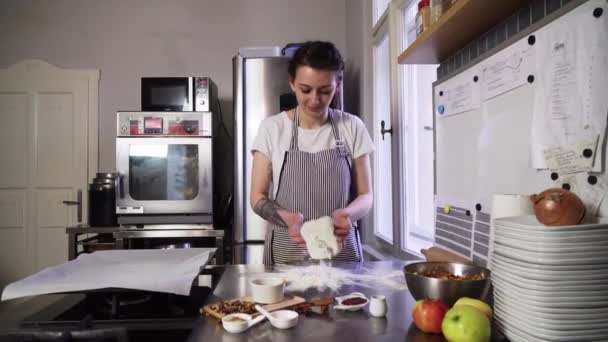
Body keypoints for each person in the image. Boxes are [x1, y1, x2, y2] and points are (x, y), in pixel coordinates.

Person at [250, 41, 374, 265]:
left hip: (340, 256)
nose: (315, 100)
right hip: (286, 257)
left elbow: (366, 196)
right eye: (306, 90)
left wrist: (348, 215)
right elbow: (257, 198)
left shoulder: (352, 126)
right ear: (292, 83)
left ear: (337, 85)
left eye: (325, 91)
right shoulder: (272, 128)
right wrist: (287, 218)